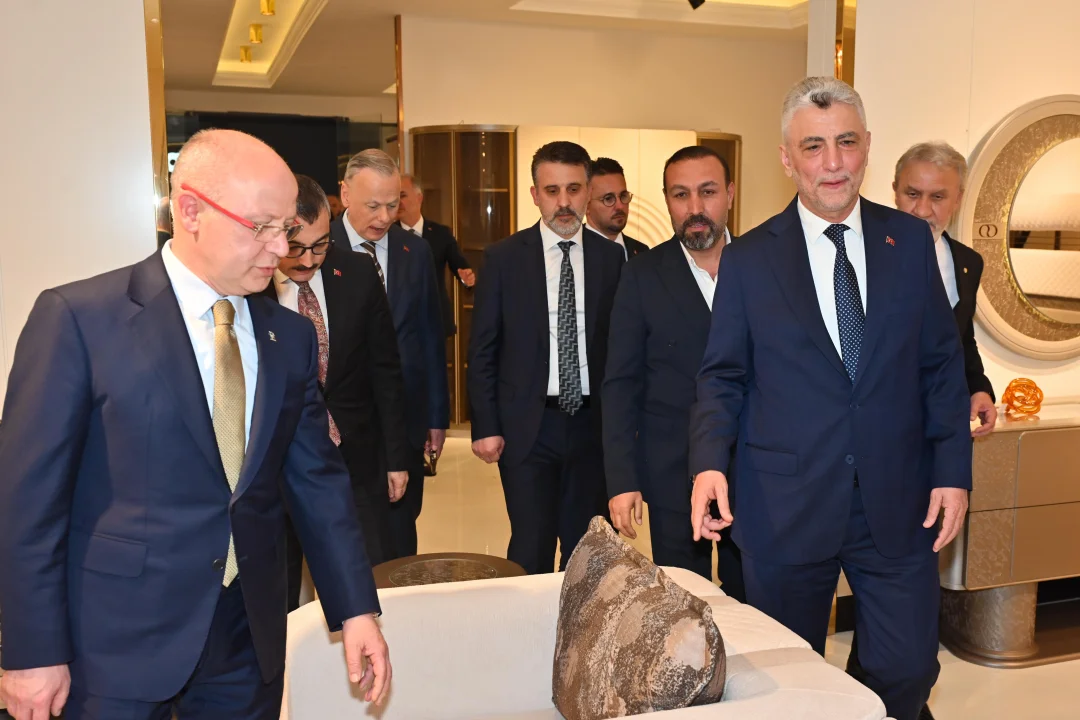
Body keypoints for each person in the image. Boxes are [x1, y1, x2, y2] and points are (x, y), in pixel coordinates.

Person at [0, 129, 391, 720]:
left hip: (246, 640)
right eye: (260, 226)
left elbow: (318, 483)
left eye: (286, 228)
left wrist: (356, 608)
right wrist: (32, 652)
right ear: (190, 211)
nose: (279, 248)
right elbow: (29, 505)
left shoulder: (289, 338)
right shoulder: (80, 320)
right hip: (114, 644)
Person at [689, 77, 972, 720]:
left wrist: (953, 471)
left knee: (908, 666)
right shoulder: (749, 259)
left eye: (846, 142)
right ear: (787, 159)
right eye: (813, 147)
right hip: (783, 502)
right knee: (787, 678)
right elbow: (722, 375)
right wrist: (708, 464)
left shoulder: (910, 243)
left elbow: (940, 367)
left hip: (897, 499)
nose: (833, 162)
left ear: (867, 145)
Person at [845, 141, 999, 720]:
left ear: (957, 200)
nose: (923, 209)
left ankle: (887, 692)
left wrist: (978, 387)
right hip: (869, 448)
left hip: (928, 452)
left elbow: (956, 344)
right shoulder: (862, 254)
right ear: (893, 191)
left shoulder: (966, 262)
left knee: (905, 603)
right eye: (912, 194)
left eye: (938, 197)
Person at [468, 141, 624, 574]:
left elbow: (620, 348)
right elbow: (483, 347)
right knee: (531, 542)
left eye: (574, 189)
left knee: (586, 548)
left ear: (588, 191)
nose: (564, 202)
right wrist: (486, 425)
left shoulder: (612, 259)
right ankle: (526, 617)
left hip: (592, 426)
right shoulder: (503, 258)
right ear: (535, 194)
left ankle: (576, 619)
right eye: (552, 191)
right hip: (527, 426)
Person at [602, 145, 743, 600]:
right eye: (681, 195)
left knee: (754, 601)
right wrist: (622, 480)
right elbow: (620, 383)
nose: (695, 207)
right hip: (670, 471)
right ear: (667, 200)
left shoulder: (763, 265)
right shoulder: (642, 275)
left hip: (754, 470)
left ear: (730, 193)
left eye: (708, 192)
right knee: (681, 603)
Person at [263, 175, 409, 608]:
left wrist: (396, 458)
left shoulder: (358, 273)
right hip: (276, 465)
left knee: (365, 579)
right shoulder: (249, 288)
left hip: (355, 459)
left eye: (321, 246)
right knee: (277, 590)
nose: (309, 260)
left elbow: (385, 370)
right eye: (296, 247)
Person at [331, 149, 449, 560]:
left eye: (392, 204)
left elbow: (430, 335)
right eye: (373, 206)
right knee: (349, 536)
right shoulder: (318, 250)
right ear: (346, 194)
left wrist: (437, 416)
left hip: (406, 419)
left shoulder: (415, 252)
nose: (384, 217)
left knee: (401, 532)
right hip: (344, 423)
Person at [397, 173, 475, 337]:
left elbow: (460, 266)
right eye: (394, 196)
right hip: (399, 324)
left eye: (402, 195)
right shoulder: (388, 235)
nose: (398, 202)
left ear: (419, 198)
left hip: (434, 321)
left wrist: (467, 278)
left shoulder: (440, 233)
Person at [585, 157, 649, 259]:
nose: (620, 206)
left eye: (623, 196)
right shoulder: (572, 253)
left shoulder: (642, 252)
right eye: (608, 199)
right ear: (586, 205)